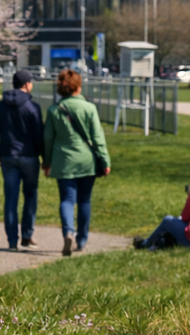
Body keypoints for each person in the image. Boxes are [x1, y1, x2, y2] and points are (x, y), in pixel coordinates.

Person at [44, 69, 111, 257]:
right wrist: (105, 160)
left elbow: (48, 138)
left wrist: (47, 162)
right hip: (86, 161)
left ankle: (68, 232)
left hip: (63, 160)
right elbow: (98, 138)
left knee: (66, 199)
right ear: (78, 87)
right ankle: (81, 240)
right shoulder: (89, 108)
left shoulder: (54, 110)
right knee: (84, 200)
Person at [0, 69, 45, 251]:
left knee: (10, 198)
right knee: (30, 195)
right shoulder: (32, 107)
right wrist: (45, 157)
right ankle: (27, 235)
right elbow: (39, 135)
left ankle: (12, 240)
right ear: (26, 84)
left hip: (8, 155)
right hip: (29, 156)